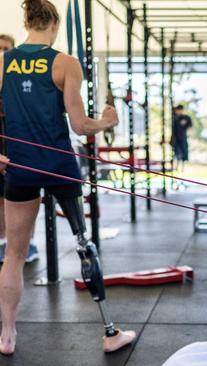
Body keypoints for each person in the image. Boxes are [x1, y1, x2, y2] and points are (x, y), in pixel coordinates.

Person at [0, 0, 135, 355]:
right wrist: (107, 120)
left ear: (26, 21)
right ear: (55, 24)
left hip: (20, 166)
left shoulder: (2, 63)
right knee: (82, 243)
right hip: (60, 165)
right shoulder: (64, 62)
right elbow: (80, 125)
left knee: (13, 254)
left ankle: (8, 335)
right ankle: (110, 332)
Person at [0, 33, 39, 264]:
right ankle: (4, 241)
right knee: (1, 198)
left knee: (27, 197)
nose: (2, 53)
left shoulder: (24, 79)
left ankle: (30, 243)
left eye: (6, 49)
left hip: (21, 144)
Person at [171, 104, 192, 172]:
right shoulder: (175, 118)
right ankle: (176, 167)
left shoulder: (186, 117)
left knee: (183, 153)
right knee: (176, 153)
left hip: (183, 138)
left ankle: (182, 168)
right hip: (175, 139)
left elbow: (190, 126)